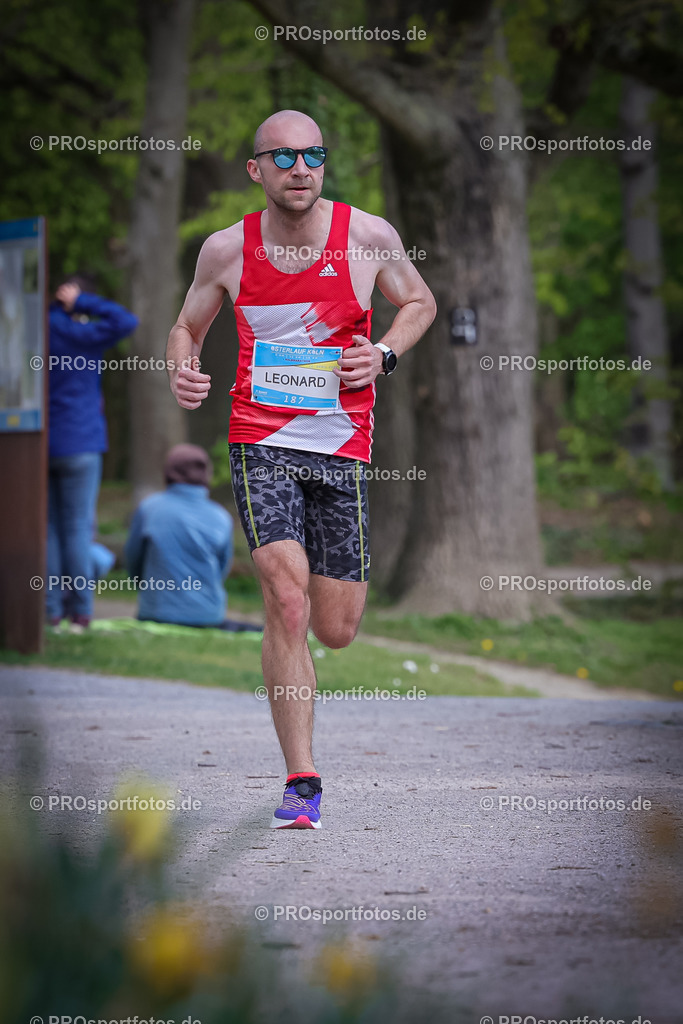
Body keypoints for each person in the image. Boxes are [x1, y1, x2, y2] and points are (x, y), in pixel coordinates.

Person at [166, 109, 436, 829]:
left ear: (324, 165)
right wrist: (182, 369)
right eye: (282, 157)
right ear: (255, 170)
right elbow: (186, 327)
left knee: (337, 626)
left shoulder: (368, 237)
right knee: (285, 600)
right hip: (261, 438)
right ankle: (301, 782)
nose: (299, 168)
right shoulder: (226, 250)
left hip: (341, 445)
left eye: (312, 155)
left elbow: (418, 301)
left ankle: (309, 667)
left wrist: (383, 354)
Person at [47, 276, 138, 632]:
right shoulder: (83, 334)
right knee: (77, 529)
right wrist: (84, 303)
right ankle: (81, 614)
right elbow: (126, 321)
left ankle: (51, 613)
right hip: (82, 443)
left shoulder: (44, 330)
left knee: (51, 529)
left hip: (44, 442)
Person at [125, 443, 258, 632]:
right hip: (209, 615)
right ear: (206, 475)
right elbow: (221, 568)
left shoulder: (149, 509)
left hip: (157, 613)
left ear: (168, 472)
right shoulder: (221, 517)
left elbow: (133, 559)